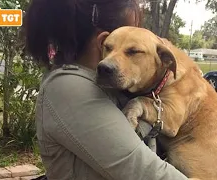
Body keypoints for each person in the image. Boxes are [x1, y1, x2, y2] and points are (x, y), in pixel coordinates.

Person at [24, 0, 189, 179]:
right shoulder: (70, 88)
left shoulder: (108, 84)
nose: (140, 34)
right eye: (132, 36)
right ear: (105, 40)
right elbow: (149, 173)